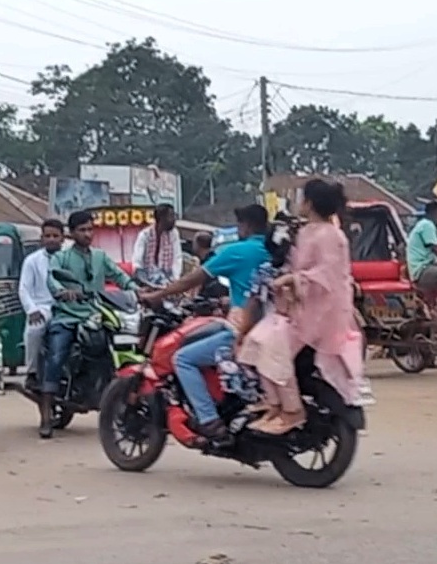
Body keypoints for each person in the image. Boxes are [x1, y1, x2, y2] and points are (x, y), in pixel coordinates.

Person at [141, 204, 271, 443]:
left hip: (245, 330)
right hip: (271, 327)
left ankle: (209, 420)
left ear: (246, 226)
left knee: (182, 358)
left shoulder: (237, 251)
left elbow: (192, 280)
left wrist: (156, 295)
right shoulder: (274, 249)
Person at [268, 179, 364, 433]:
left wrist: (292, 279)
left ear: (309, 203)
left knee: (271, 351)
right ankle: (276, 404)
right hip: (309, 307)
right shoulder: (310, 231)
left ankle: (290, 409)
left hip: (322, 312)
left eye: (302, 198)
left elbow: (326, 274)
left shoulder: (329, 234)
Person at [39, 211, 138, 439]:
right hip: (67, 316)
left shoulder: (100, 256)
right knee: (56, 356)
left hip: (95, 315)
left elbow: (120, 276)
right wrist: (62, 292)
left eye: (90, 229)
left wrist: (137, 290)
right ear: (72, 233)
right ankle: (45, 414)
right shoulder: (61, 258)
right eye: (82, 230)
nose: (87, 234)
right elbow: (52, 278)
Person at [238, 220, 300, 434]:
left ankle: (279, 405)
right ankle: (275, 405)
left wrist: (240, 333)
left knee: (253, 357)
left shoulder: (265, 271)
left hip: (277, 323)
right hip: (298, 321)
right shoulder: (299, 268)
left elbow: (253, 303)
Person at [18, 219, 65, 391]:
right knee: (34, 330)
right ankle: (31, 373)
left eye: (55, 236)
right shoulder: (32, 261)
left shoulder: (70, 258)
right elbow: (23, 289)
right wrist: (32, 310)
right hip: (43, 308)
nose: (51, 239)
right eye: (48, 236)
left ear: (63, 238)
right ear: (42, 238)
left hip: (68, 308)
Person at [406, 200, 437, 289]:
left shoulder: (423, 225)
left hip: (423, 270)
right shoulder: (427, 225)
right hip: (422, 271)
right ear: (436, 213)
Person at [131, 203, 182, 285]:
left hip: (168, 277)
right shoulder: (145, 235)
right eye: (171, 216)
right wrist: (141, 279)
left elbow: (177, 257)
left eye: (174, 215)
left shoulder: (174, 233)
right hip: (147, 277)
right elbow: (137, 261)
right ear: (161, 218)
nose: (174, 219)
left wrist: (176, 278)